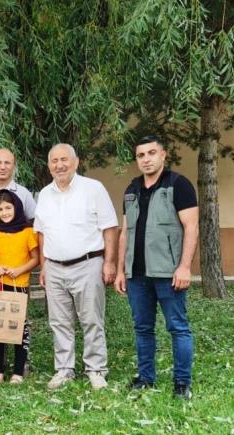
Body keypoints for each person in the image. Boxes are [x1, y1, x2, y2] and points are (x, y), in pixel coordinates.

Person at [114, 136, 198, 399]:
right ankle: (146, 378)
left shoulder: (178, 185)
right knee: (142, 328)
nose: (146, 159)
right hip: (137, 275)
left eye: (152, 153)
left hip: (168, 273)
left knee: (178, 327)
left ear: (163, 155)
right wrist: (120, 270)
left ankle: (182, 383)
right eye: (141, 155)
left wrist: (184, 267)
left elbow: (191, 227)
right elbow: (125, 233)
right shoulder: (131, 190)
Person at [34, 143, 118, 391]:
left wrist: (110, 262)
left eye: (64, 160)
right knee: (59, 322)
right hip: (55, 268)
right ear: (49, 166)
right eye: (54, 161)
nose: (59, 165)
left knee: (91, 319)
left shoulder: (93, 189)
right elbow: (41, 234)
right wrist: (44, 266)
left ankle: (95, 369)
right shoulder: (45, 194)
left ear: (76, 162)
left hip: (88, 264)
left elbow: (109, 228)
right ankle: (64, 369)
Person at [0, 190, 38, 385]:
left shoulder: (27, 232)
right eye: (0, 209)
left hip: (18, 284)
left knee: (19, 328)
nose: (4, 212)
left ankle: (18, 371)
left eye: (8, 207)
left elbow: (35, 259)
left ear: (17, 207)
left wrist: (19, 269)